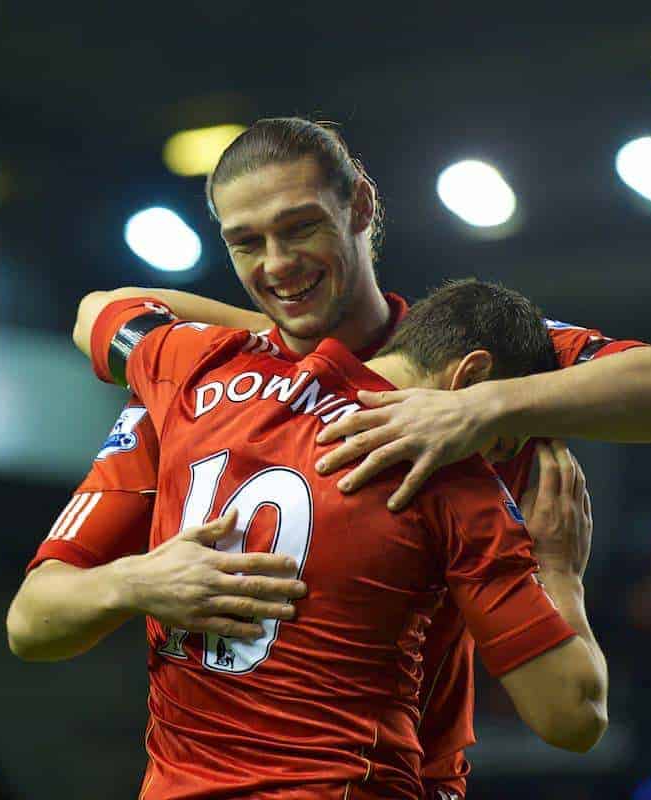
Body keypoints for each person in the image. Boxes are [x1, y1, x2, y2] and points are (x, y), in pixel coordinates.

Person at [11, 117, 651, 797]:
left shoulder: (472, 362)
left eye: (300, 228)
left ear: (361, 204)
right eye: (247, 243)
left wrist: (476, 409)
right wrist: (139, 579)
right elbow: (33, 619)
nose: (278, 264)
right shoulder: (194, 392)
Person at [34, 279, 606, 798]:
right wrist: (559, 569)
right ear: (472, 381)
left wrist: (280, 341)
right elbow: (572, 718)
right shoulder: (457, 483)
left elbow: (99, 312)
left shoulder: (199, 374)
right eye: (505, 440)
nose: (500, 460)